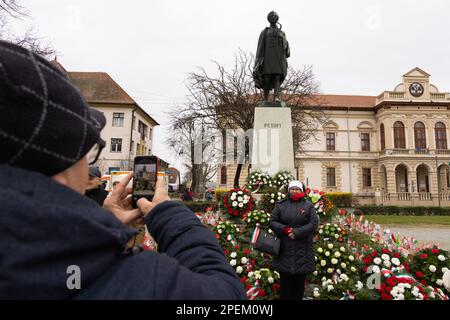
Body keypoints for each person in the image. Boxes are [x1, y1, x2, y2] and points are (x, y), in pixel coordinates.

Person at [0, 40, 247, 300]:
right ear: (60, 166)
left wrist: (95, 229)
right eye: (87, 153)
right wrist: (169, 215)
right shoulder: (131, 281)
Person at [269, 180, 318, 300]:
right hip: (284, 249)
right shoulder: (281, 204)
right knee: (285, 286)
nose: (294, 191)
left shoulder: (308, 205)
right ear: (288, 190)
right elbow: (272, 221)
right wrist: (285, 230)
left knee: (299, 286)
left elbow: (313, 223)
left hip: (303, 250)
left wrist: (296, 233)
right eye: (292, 189)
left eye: (297, 189)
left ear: (301, 191)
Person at [253, 11, 290, 102]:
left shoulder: (282, 33)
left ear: (277, 19)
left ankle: (276, 97)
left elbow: (286, 48)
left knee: (277, 77)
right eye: (271, 16)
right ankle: (265, 97)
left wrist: (282, 37)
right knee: (267, 78)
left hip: (278, 58)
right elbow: (260, 47)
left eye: (274, 16)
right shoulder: (265, 32)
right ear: (268, 19)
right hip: (267, 58)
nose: (273, 18)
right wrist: (258, 61)